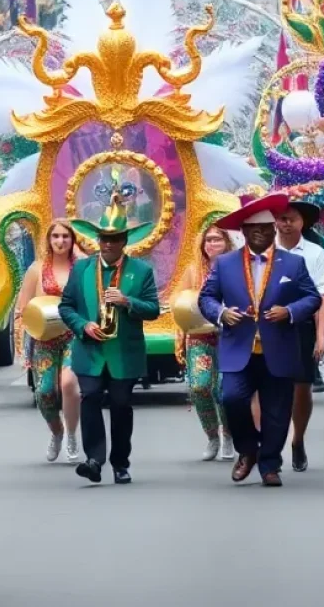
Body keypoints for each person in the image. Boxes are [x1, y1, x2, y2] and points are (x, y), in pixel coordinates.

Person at [198, 193, 321, 487]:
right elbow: (207, 298)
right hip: (238, 347)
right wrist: (222, 313)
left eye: (267, 228)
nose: (261, 233)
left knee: (277, 411)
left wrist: (290, 311)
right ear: (244, 232)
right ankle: (248, 450)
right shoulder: (225, 264)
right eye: (254, 229)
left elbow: (312, 297)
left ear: (273, 230)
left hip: (278, 347)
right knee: (232, 399)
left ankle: (270, 464)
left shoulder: (293, 263)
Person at [59, 193, 160, 485]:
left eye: (115, 239)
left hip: (123, 354)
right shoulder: (81, 269)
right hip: (90, 351)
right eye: (104, 238)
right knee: (89, 398)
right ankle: (94, 459)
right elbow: (66, 307)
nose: (109, 244)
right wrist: (82, 325)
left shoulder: (141, 271)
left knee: (120, 405)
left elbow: (153, 309)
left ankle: (120, 463)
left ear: (124, 241)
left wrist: (128, 302)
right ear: (97, 240)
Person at [14, 219, 84, 463]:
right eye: (56, 236)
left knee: (68, 385)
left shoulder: (83, 267)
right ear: (49, 240)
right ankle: (57, 432)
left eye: (65, 236)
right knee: (45, 392)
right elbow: (23, 306)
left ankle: (72, 436)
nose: (60, 241)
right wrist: (28, 317)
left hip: (74, 337)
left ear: (72, 240)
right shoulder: (37, 269)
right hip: (44, 339)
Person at [274, 200, 324, 473]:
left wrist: (321, 336)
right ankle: (268, 444)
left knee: (301, 387)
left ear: (302, 223)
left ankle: (297, 440)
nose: (286, 223)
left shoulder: (315, 253)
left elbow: (323, 296)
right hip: (268, 325)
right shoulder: (263, 247)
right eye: (282, 218)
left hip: (302, 326)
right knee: (265, 385)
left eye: (292, 219)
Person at [176, 225, 234, 461]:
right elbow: (181, 303)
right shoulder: (193, 271)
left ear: (227, 243)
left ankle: (229, 435)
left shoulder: (236, 269)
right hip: (200, 338)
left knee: (223, 390)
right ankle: (212, 436)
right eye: (207, 240)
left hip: (228, 338)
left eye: (217, 239)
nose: (211, 244)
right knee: (200, 387)